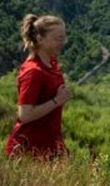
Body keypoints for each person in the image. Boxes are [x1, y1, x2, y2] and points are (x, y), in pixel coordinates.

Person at [5, 13, 71, 159]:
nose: (62, 42)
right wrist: (57, 100)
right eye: (57, 38)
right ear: (40, 39)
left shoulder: (52, 63)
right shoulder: (33, 72)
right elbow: (25, 115)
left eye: (63, 37)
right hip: (29, 150)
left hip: (49, 146)